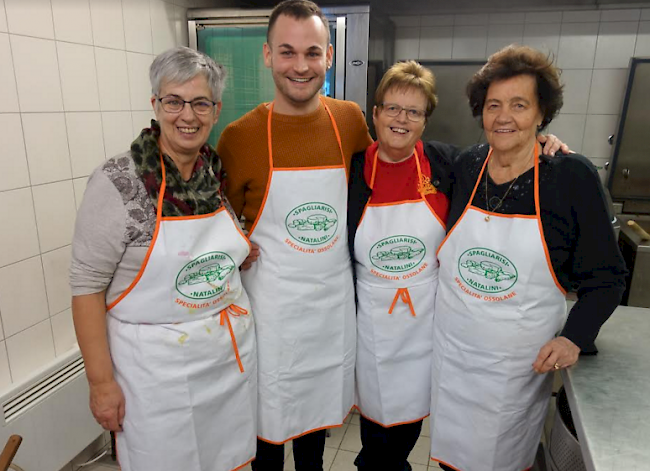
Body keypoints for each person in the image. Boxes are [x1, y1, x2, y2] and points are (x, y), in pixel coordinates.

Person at [347, 60, 567, 471]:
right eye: (392, 108)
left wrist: (542, 141)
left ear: (425, 122)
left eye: (414, 112)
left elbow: (504, 151)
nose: (401, 119)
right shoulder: (354, 169)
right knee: (376, 443)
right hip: (371, 333)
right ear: (374, 114)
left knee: (407, 439)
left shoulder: (448, 165)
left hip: (430, 332)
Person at [429, 45, 627, 471]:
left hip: (514, 374)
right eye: (494, 105)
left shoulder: (570, 177)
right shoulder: (466, 166)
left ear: (542, 115)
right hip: (454, 359)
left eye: (520, 105)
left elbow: (607, 278)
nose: (504, 117)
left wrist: (573, 337)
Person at [70, 47, 257, 471]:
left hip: (224, 363)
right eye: (174, 101)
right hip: (155, 377)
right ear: (155, 105)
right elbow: (86, 287)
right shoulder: (119, 181)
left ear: (216, 109)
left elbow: (205, 247)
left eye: (200, 103)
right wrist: (101, 384)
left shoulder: (213, 169)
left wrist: (237, 255)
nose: (186, 115)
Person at [216, 1, 372, 470]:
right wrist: (233, 244)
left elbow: (401, 168)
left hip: (329, 306)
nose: (300, 66)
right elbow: (212, 218)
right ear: (267, 55)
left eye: (312, 52)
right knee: (266, 431)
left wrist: (539, 144)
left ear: (329, 55)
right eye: (287, 52)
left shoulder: (350, 121)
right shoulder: (239, 137)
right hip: (270, 314)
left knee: (314, 428)